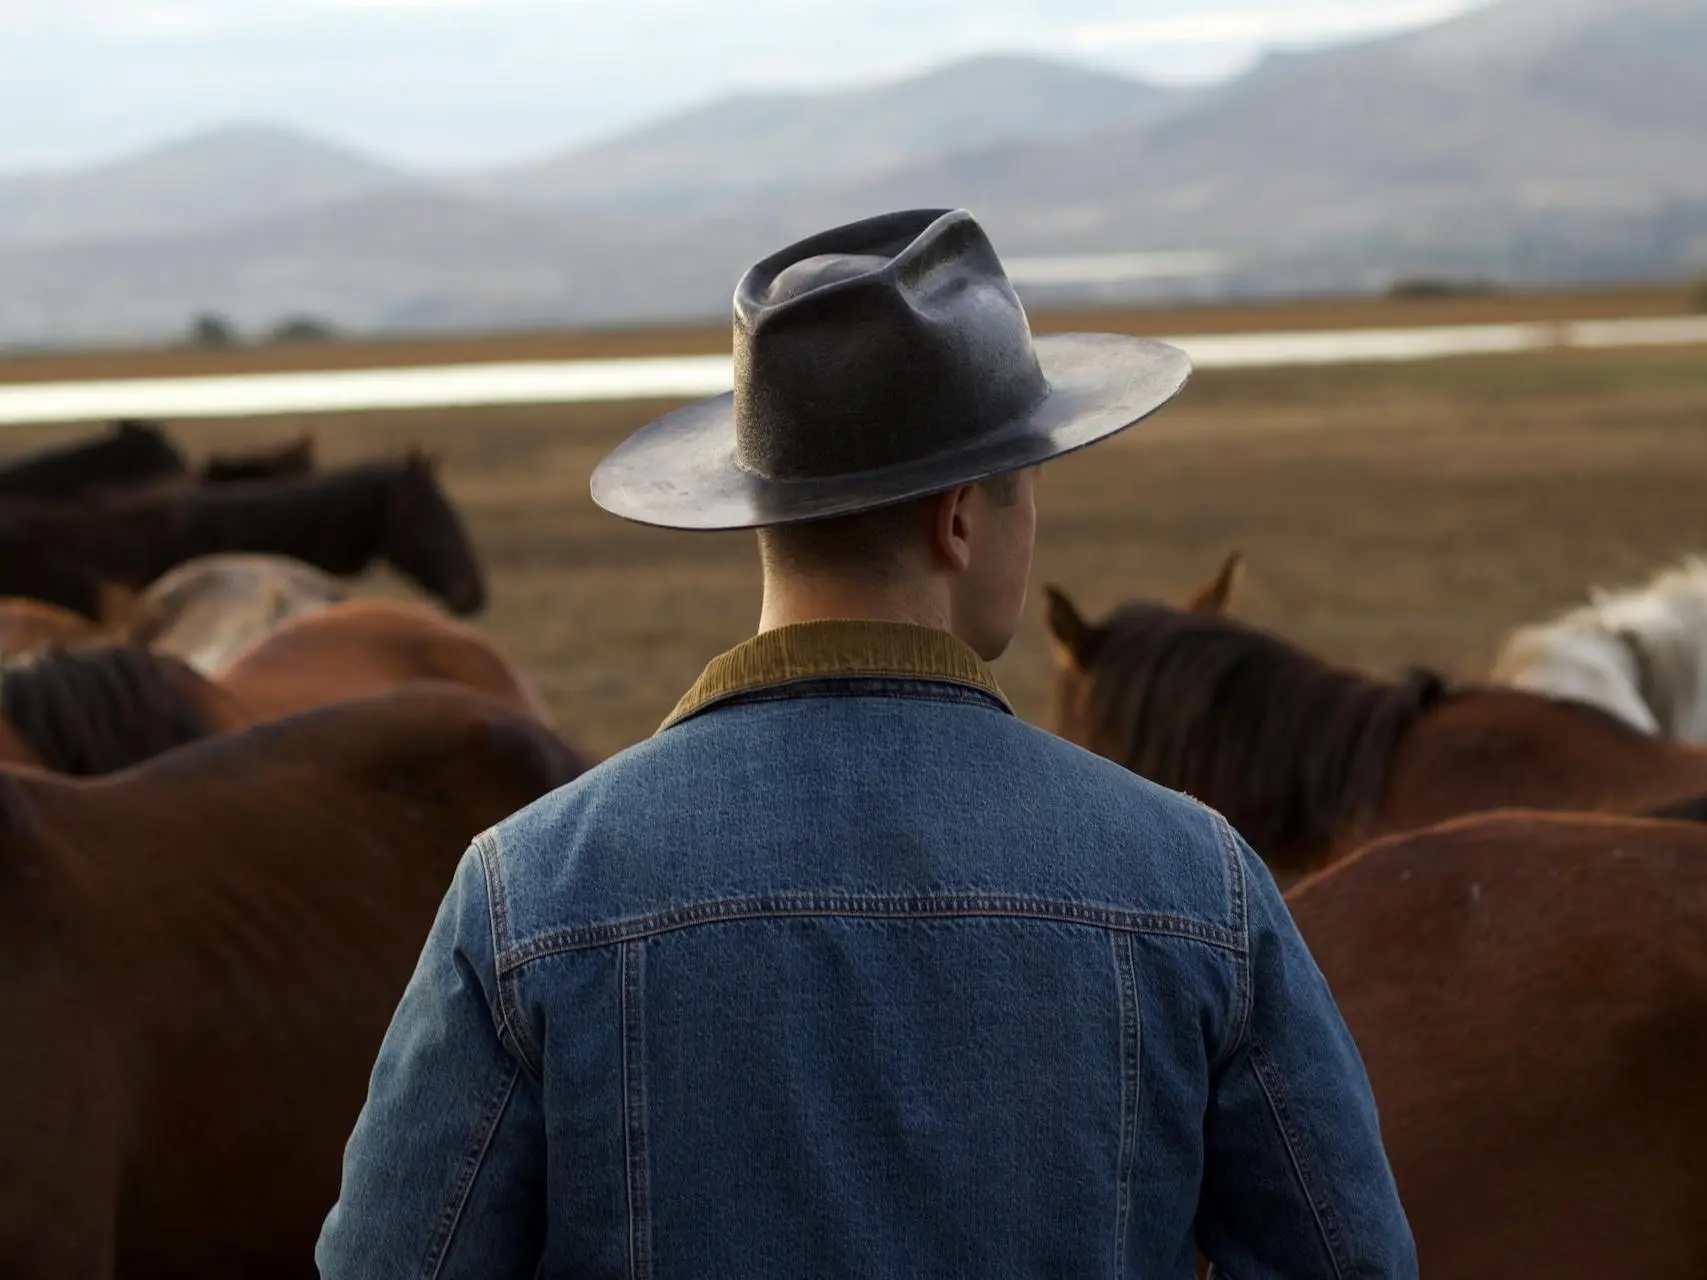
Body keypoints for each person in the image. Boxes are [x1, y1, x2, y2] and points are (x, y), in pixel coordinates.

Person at [317, 208, 1417, 1278]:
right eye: (1027, 479)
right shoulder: (1198, 883)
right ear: (958, 516)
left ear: (759, 507)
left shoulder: (528, 893)